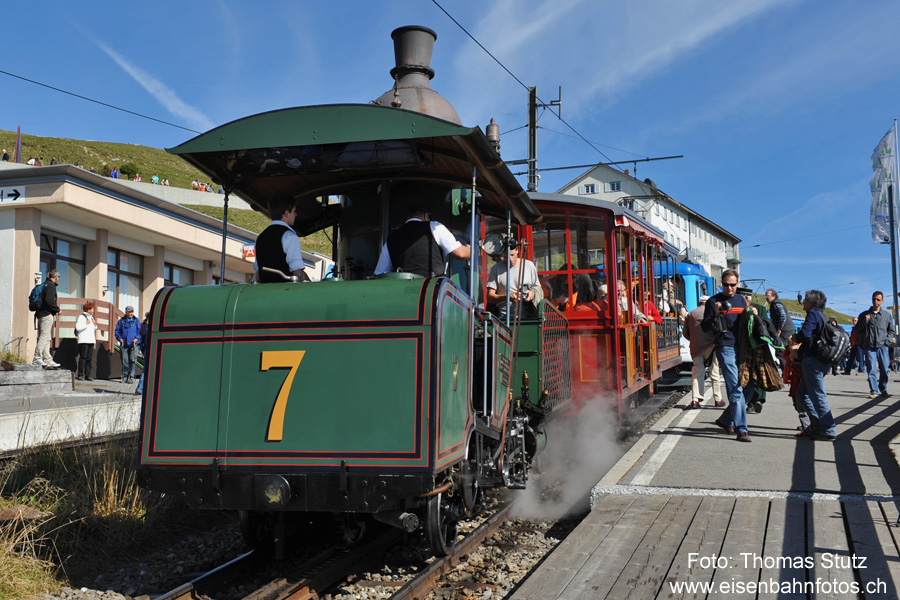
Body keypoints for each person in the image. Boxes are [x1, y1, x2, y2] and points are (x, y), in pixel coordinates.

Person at [702, 269, 753, 442]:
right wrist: (716, 314)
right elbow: (705, 326)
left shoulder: (741, 300)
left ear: (738, 284)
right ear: (721, 284)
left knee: (749, 388)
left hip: (743, 347)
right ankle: (742, 429)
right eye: (726, 285)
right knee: (735, 388)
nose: (730, 288)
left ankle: (725, 420)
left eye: (733, 285)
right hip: (725, 346)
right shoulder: (713, 301)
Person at [374, 205, 470, 277]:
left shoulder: (391, 238)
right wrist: (471, 249)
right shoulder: (434, 226)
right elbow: (461, 254)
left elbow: (379, 273)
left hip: (404, 292)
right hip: (432, 290)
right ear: (426, 216)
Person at [792, 290, 836, 441]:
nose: (803, 302)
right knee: (802, 395)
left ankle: (829, 429)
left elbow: (804, 334)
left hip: (813, 361)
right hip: (821, 361)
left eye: (805, 300)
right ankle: (817, 425)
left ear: (811, 302)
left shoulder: (812, 314)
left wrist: (794, 338)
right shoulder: (822, 315)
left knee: (817, 395)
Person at [254, 194, 308, 283]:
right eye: (294, 211)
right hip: (286, 292)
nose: (296, 214)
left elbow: (258, 276)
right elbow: (297, 273)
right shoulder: (290, 236)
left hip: (265, 293)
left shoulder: (260, 238)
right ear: (286, 213)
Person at [684, 295, 724, 409]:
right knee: (714, 373)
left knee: (697, 374)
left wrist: (694, 340)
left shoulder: (691, 314)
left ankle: (695, 400)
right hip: (711, 347)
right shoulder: (714, 313)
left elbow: (685, 333)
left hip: (696, 348)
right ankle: (718, 399)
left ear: (699, 302)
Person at [485, 238, 540, 320]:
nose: (510, 259)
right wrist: (507, 297)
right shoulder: (496, 269)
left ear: (517, 251)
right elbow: (490, 297)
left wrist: (532, 293)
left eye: (512, 255)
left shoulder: (529, 265)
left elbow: (538, 288)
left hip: (527, 314)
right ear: (503, 254)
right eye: (507, 256)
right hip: (504, 316)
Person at [855, 290, 895, 399]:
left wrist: (887, 341)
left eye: (878, 299)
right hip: (869, 346)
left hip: (882, 346)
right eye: (873, 299)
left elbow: (891, 331)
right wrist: (865, 321)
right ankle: (873, 390)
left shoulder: (887, 315)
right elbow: (858, 329)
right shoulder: (864, 315)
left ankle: (883, 388)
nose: (875, 301)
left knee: (885, 369)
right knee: (871, 368)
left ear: (882, 301)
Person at [32, 270, 61, 368]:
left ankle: (47, 359)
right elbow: (49, 300)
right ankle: (37, 358)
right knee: (44, 337)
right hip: (47, 315)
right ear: (56, 277)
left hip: (40, 314)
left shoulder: (44, 284)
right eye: (59, 277)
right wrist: (57, 309)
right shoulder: (51, 286)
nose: (58, 279)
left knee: (47, 337)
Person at [115, 306, 142, 384]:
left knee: (133, 360)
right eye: (129, 312)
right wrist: (119, 338)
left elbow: (139, 332)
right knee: (124, 361)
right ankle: (124, 376)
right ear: (126, 312)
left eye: (132, 312)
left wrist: (137, 338)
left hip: (134, 344)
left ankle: (132, 376)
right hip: (124, 344)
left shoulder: (136, 321)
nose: (131, 313)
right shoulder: (121, 321)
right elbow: (117, 331)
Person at [74, 301, 99, 380]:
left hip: (91, 340)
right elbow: (78, 328)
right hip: (84, 340)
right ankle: (81, 374)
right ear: (88, 309)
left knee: (89, 358)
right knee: (83, 358)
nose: (93, 311)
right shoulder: (81, 317)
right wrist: (86, 324)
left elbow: (93, 329)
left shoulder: (91, 318)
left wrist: (95, 325)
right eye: (92, 309)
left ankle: (88, 375)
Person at [135, 312, 150, 395]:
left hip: (155, 349)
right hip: (147, 349)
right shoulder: (144, 326)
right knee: (146, 369)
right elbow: (143, 334)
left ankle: (142, 389)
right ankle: (140, 389)